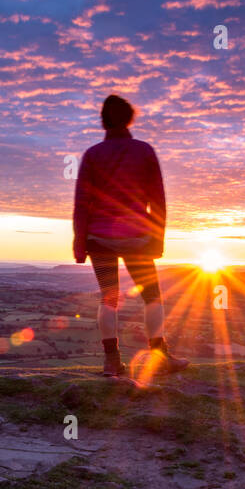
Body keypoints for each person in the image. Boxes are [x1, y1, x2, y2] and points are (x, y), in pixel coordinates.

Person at [73, 94, 188, 378]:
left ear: (103, 121)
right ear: (129, 118)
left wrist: (79, 244)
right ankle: (159, 357)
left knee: (108, 298)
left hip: (99, 239)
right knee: (153, 298)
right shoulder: (144, 151)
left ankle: (111, 362)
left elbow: (81, 203)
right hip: (138, 238)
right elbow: (158, 199)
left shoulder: (92, 155)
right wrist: (157, 239)